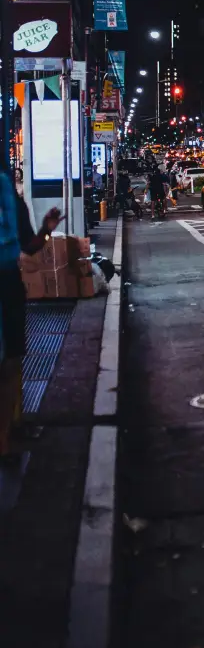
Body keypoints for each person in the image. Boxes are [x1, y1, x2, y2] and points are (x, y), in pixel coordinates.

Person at [0, 170, 60, 456]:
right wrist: (47, 229)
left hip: (9, 282)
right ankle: (8, 434)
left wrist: (46, 230)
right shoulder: (11, 195)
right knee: (12, 361)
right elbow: (29, 245)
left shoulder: (11, 196)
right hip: (7, 280)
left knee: (11, 360)